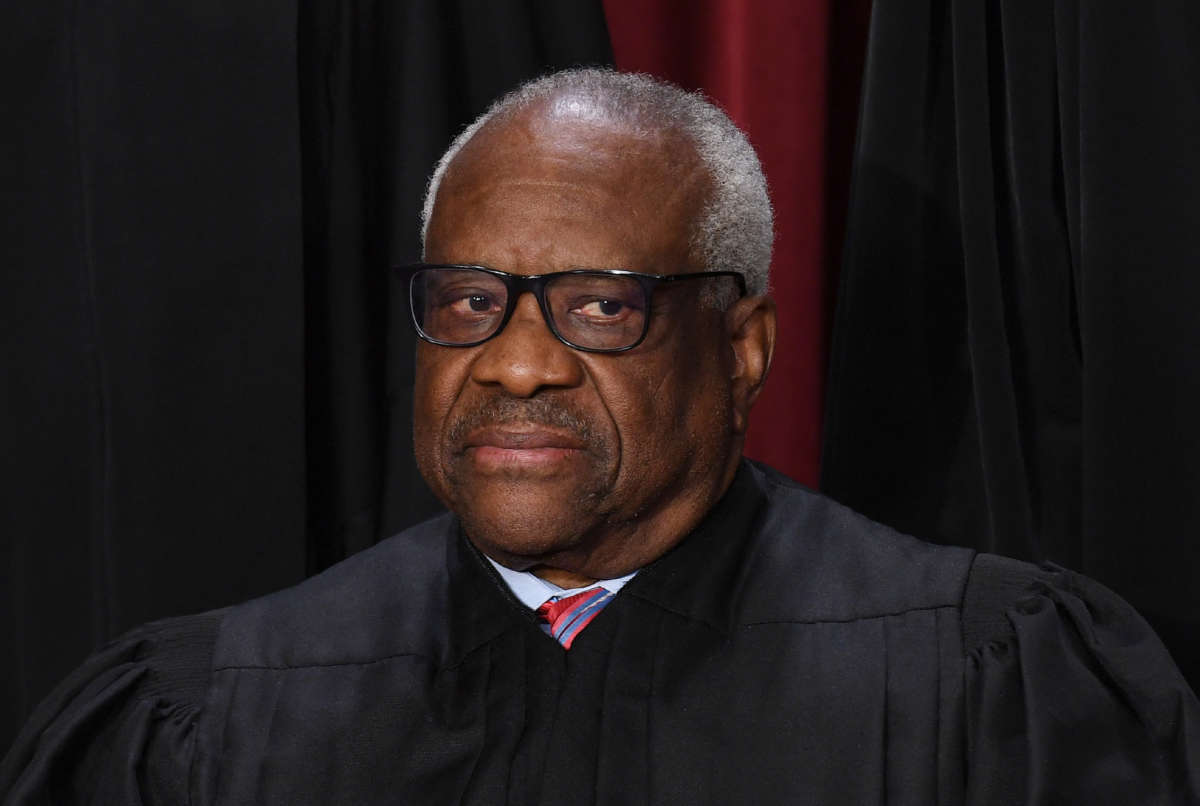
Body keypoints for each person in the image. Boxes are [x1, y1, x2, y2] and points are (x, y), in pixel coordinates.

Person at [2, 68, 1197, 805]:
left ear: (743, 349)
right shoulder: (212, 717)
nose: (517, 360)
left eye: (601, 305)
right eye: (471, 299)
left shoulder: (981, 687)